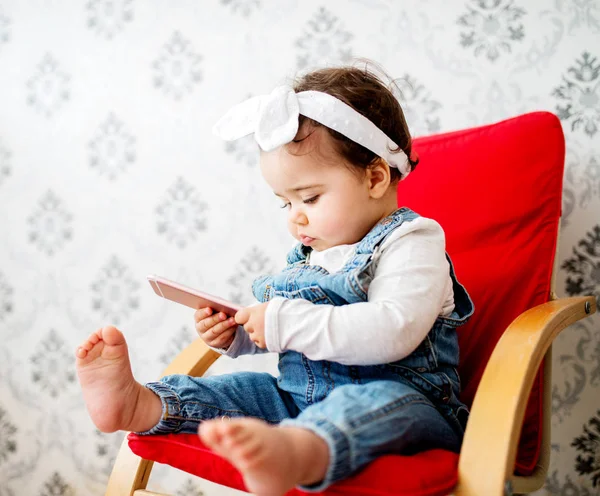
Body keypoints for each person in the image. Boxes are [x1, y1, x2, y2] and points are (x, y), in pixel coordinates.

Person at [76, 63, 474, 496]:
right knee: (242, 393)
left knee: (365, 406)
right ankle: (142, 403)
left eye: (310, 197)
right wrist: (241, 335)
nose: (296, 217)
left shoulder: (411, 241)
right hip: (298, 399)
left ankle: (295, 454)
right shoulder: (312, 254)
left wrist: (283, 321)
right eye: (284, 203)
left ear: (375, 177)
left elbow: (392, 331)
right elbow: (287, 333)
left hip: (407, 404)